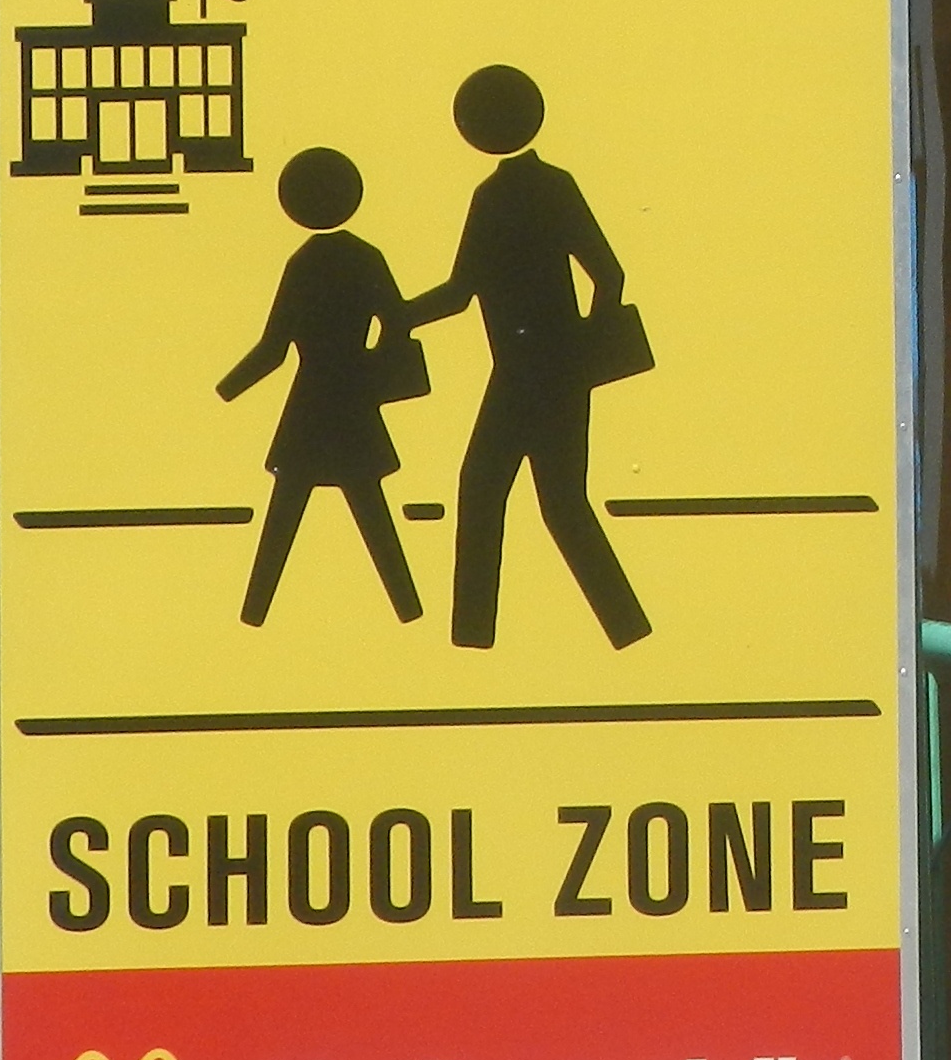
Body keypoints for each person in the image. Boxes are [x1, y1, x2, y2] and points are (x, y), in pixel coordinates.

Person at [402, 65, 651, 652]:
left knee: (486, 490)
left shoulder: (492, 198)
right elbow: (608, 274)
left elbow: (460, 291)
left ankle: (473, 635)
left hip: (518, 373)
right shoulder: (555, 185)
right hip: (559, 371)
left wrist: (398, 315)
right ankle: (625, 626)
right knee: (559, 503)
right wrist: (583, 347)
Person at [213, 147, 426, 629]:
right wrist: (371, 365)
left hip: (309, 404)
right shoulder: (367, 258)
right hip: (354, 401)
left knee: (285, 511)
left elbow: (274, 347)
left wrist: (228, 389)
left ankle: (254, 612)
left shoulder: (303, 264)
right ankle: (408, 609)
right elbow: (398, 322)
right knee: (370, 508)